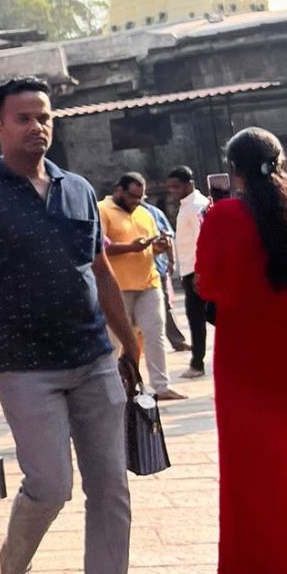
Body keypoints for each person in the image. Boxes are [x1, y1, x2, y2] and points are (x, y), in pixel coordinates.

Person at [0, 77, 162, 574]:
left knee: (110, 490)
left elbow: (100, 272)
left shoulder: (79, 191)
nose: (36, 126)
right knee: (51, 485)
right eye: (23, 118)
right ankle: (13, 564)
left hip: (93, 357)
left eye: (44, 116)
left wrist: (128, 343)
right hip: (24, 368)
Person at [196, 128, 287, 574]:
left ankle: (261, 562)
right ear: (281, 161)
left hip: (245, 349)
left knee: (252, 457)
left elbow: (208, 285)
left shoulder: (224, 215)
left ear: (234, 169)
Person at [99, 173, 185, 402]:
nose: (136, 201)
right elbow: (98, 248)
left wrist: (157, 247)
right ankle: (116, 388)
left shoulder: (145, 214)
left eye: (140, 197)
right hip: (118, 286)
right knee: (116, 339)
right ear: (119, 190)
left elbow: (148, 248)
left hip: (148, 282)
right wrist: (130, 248)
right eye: (132, 196)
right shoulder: (102, 210)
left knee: (155, 333)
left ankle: (161, 386)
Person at [166, 165, 211, 380]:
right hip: (189, 269)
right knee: (201, 316)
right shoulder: (187, 206)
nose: (173, 191)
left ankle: (197, 362)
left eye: (176, 187)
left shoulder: (197, 206)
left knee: (199, 317)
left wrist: (200, 272)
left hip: (196, 270)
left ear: (189, 184)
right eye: (170, 188)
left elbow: (203, 240)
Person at [145, 199, 189, 353]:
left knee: (165, 306)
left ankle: (177, 341)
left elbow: (167, 237)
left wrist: (171, 261)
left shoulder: (153, 212)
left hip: (156, 268)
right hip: (128, 271)